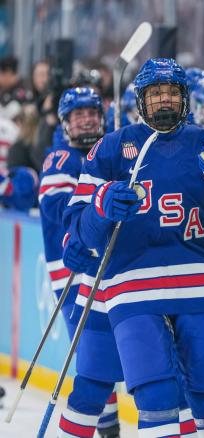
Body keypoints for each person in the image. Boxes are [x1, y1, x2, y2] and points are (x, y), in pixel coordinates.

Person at [63, 57, 204, 436]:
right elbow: (79, 233)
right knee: (156, 399)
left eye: (171, 91)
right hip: (134, 290)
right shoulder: (111, 148)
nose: (164, 100)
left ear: (184, 97)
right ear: (141, 100)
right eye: (155, 92)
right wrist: (101, 204)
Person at [38, 87, 122, 438]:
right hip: (74, 277)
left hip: (104, 273)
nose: (86, 118)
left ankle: (110, 429)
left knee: (103, 363)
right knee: (94, 364)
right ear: (65, 123)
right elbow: (59, 215)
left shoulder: (107, 153)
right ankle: (106, 429)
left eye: (92, 112)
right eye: (78, 114)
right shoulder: (62, 160)